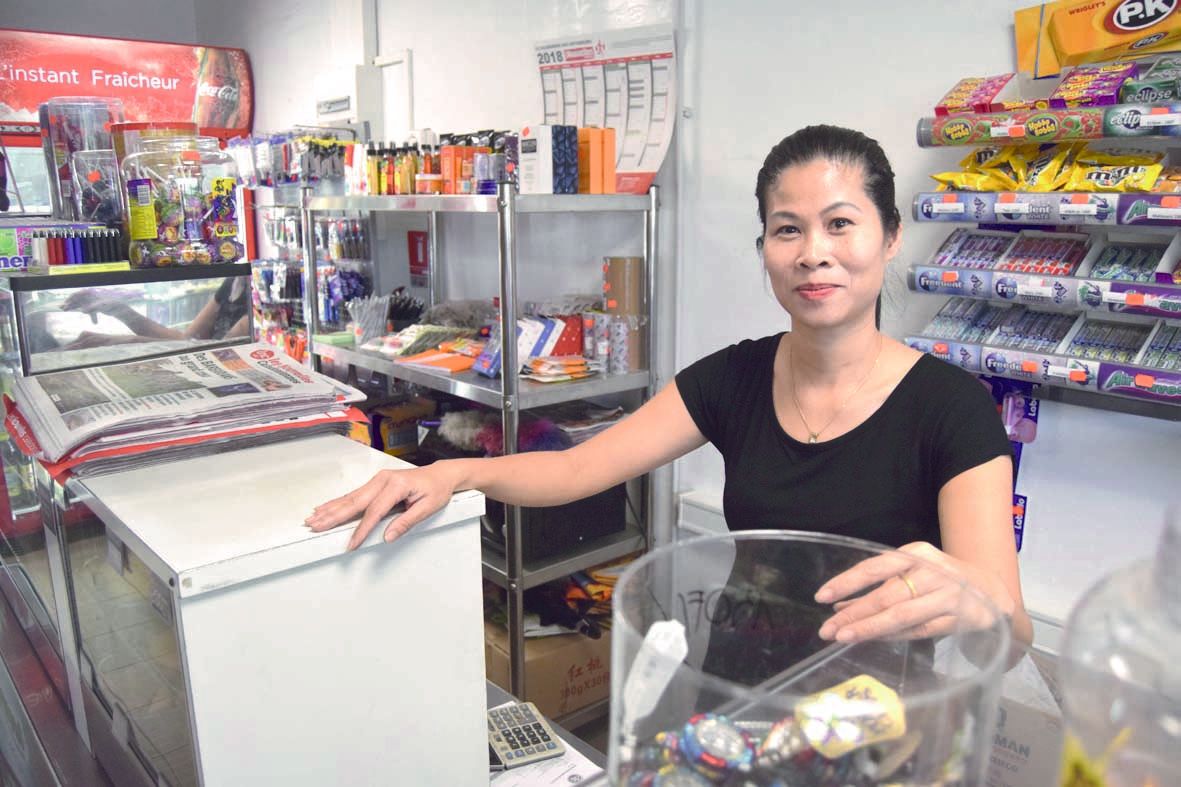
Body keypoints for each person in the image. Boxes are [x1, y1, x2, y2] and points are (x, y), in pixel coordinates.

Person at [305, 125, 1033, 649]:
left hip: (882, 725)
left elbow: (1012, 626)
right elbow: (576, 467)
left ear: (889, 236)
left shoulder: (950, 408)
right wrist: (454, 472)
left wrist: (976, 603)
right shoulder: (734, 377)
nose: (814, 253)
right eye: (787, 230)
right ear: (764, 250)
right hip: (736, 696)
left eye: (841, 224)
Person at [60, 275, 250, 349]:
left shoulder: (263, 290)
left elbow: (219, 352)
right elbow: (188, 340)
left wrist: (125, 342)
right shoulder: (234, 281)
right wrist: (118, 309)